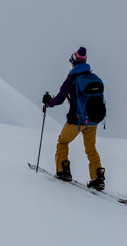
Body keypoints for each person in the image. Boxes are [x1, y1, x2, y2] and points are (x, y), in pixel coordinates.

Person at [42, 46, 105, 191]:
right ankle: (98, 178)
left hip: (76, 121)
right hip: (93, 121)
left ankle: (63, 171)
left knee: (63, 142)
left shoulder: (72, 79)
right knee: (91, 149)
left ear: (74, 62)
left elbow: (58, 99)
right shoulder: (93, 77)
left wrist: (48, 102)